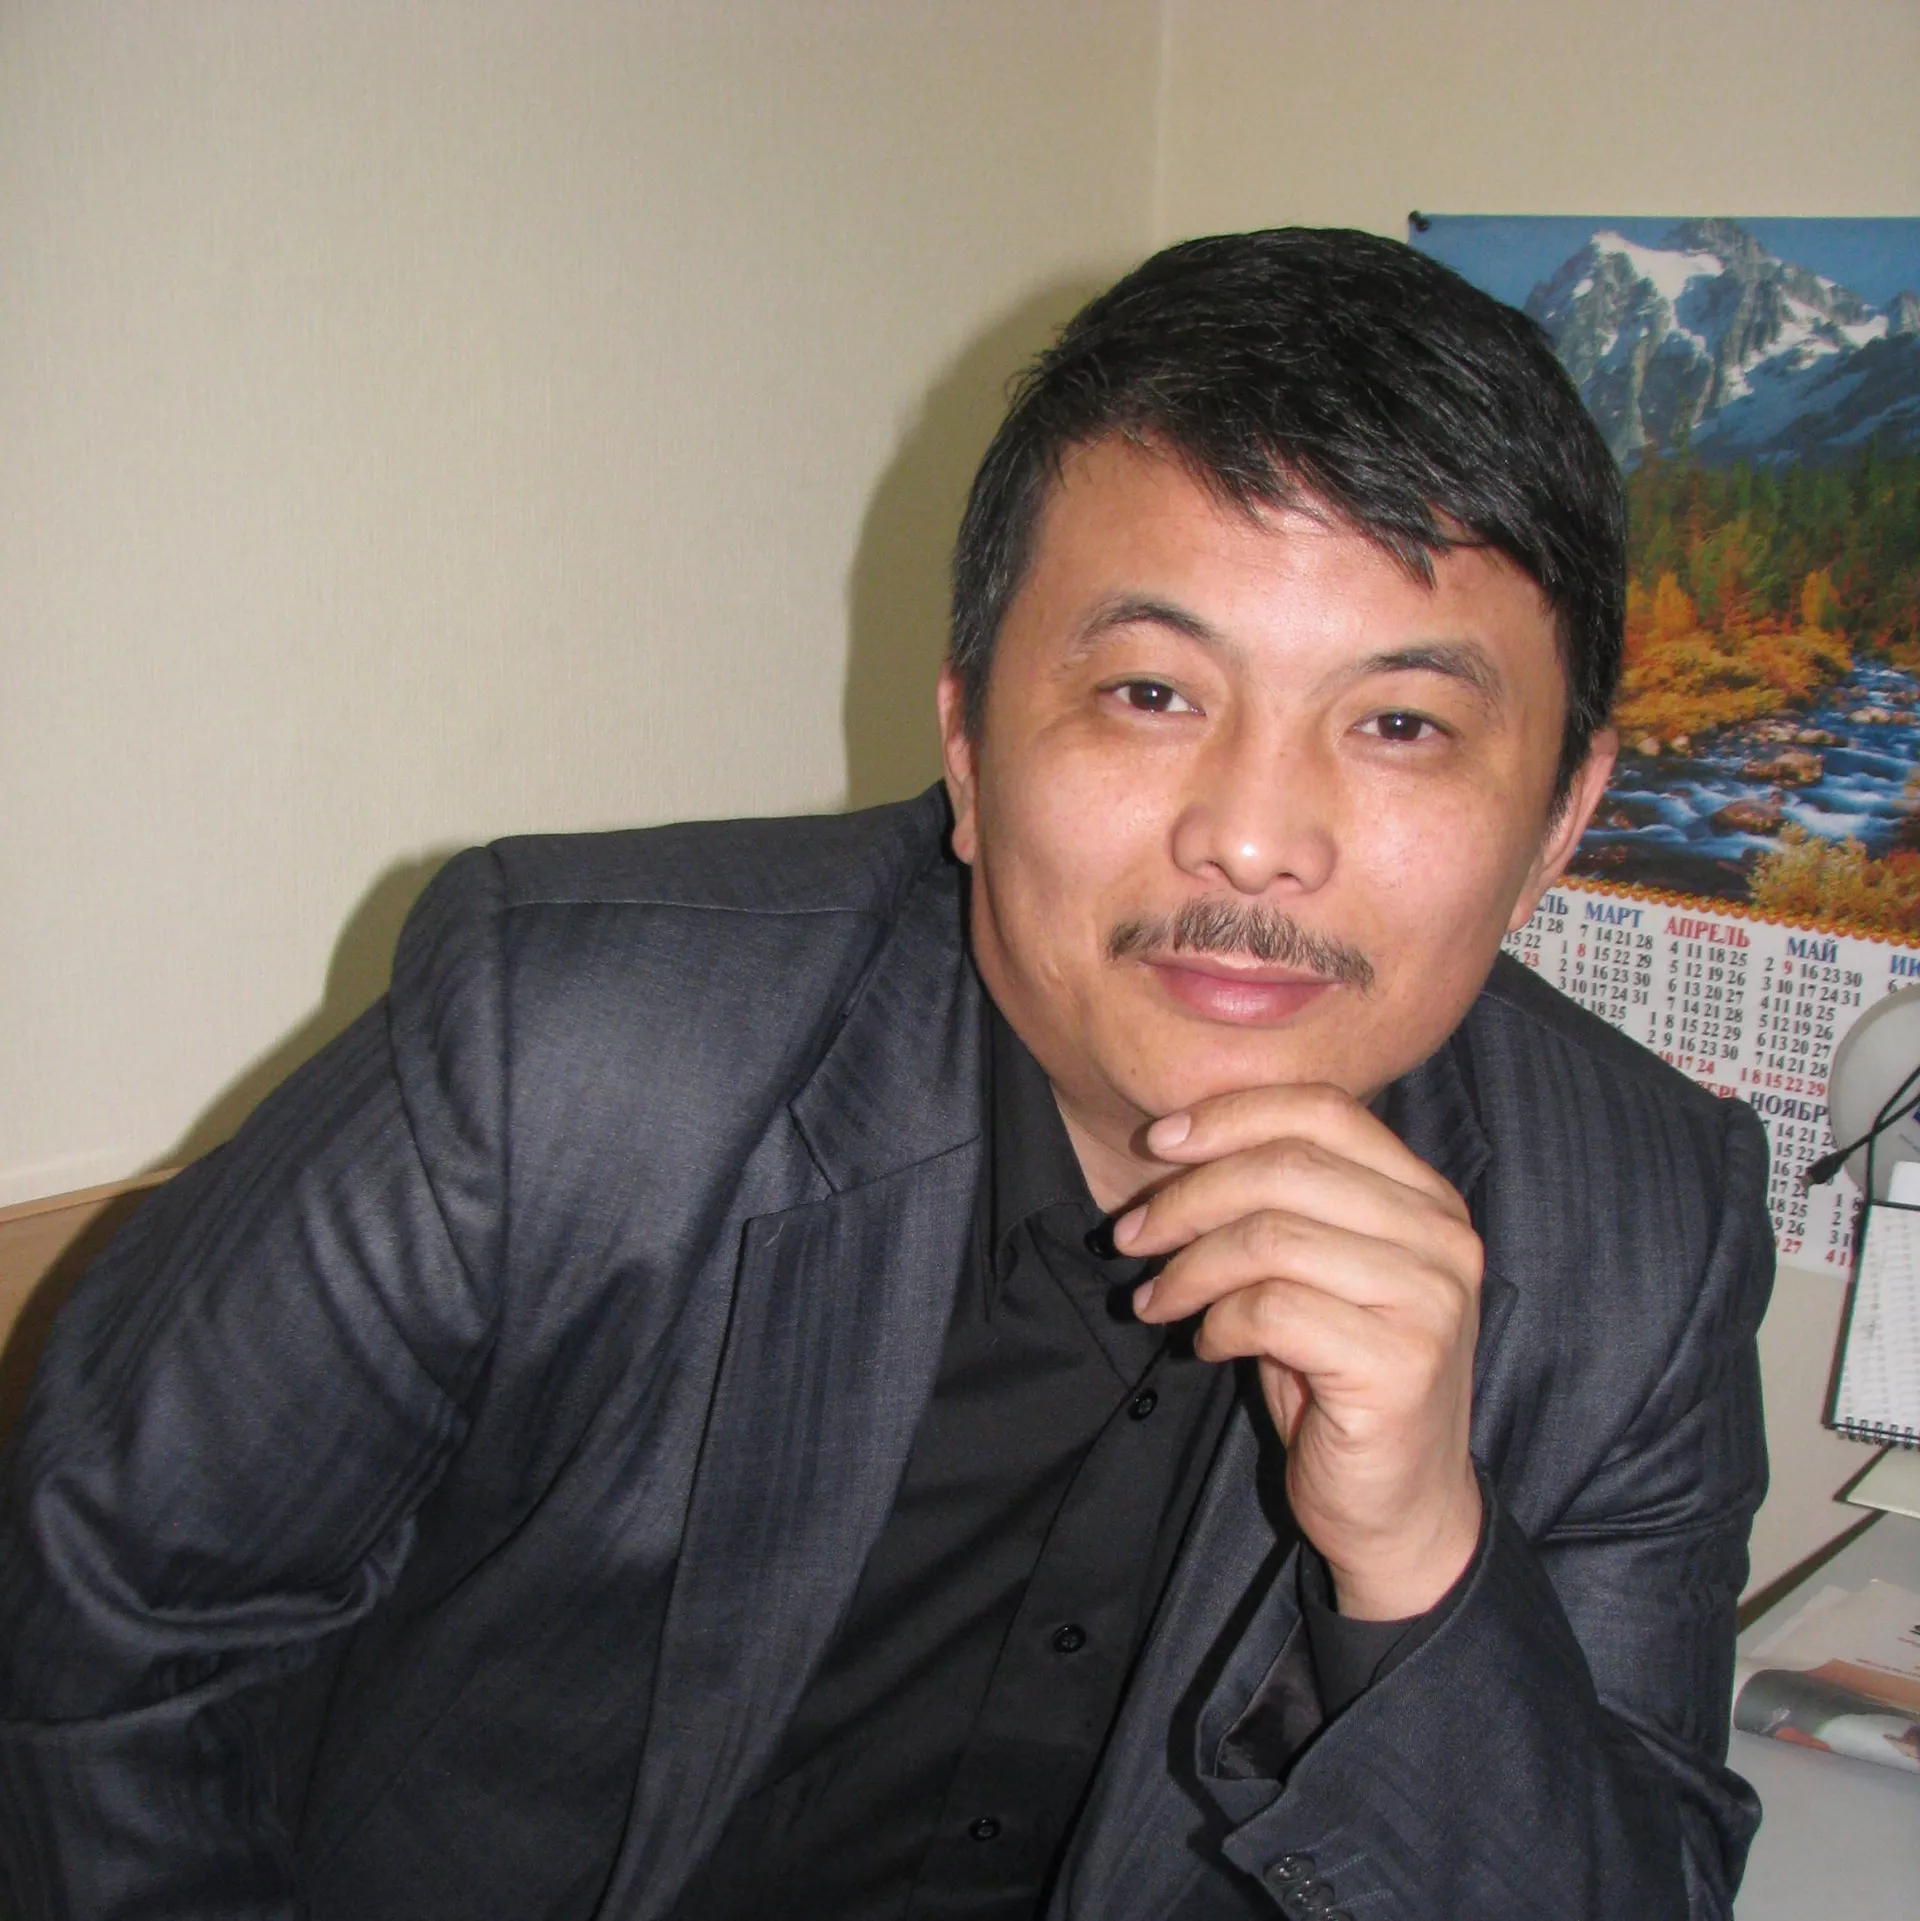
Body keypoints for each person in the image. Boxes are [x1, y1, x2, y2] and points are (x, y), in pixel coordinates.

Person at [0, 229, 1771, 1921]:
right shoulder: (572, 1053)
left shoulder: (1639, 1236)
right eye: (1154, 693)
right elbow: (105, 1613)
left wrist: (1423, 1565)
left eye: (1399, 724)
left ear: (1561, 821)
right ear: (970, 749)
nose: (1252, 837)